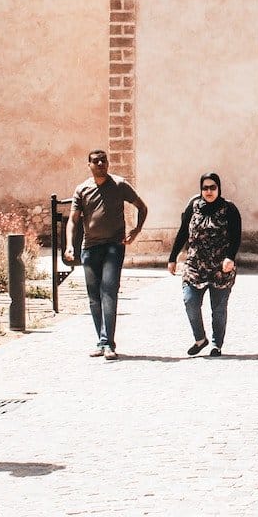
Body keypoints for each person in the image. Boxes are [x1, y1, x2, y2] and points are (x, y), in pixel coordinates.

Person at [65, 149, 147, 360]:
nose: (101, 163)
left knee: (108, 291)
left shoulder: (119, 185)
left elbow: (142, 206)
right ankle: (102, 341)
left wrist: (136, 230)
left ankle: (107, 343)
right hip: (90, 248)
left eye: (104, 160)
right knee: (94, 297)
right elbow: (73, 220)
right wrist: (69, 245)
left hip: (114, 245)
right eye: (96, 161)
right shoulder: (82, 189)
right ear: (89, 165)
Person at [168, 173, 241, 355]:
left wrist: (230, 257)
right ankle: (200, 339)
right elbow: (183, 232)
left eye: (212, 187)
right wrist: (172, 257)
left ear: (219, 188)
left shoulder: (229, 209)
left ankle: (216, 344)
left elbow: (236, 236)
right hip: (195, 264)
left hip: (221, 266)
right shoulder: (194, 207)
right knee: (190, 300)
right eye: (205, 188)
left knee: (218, 308)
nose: (209, 191)